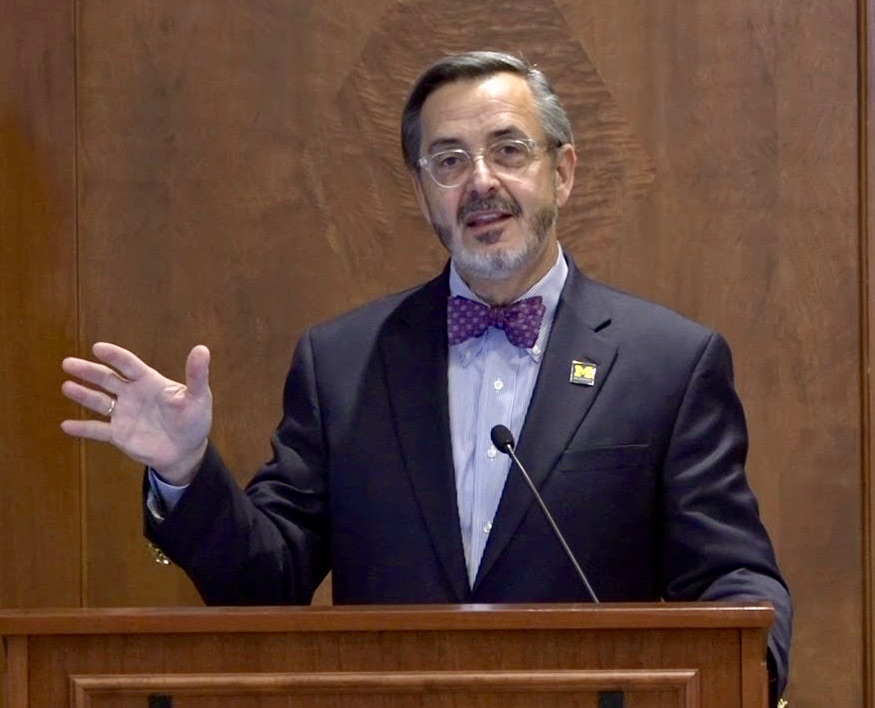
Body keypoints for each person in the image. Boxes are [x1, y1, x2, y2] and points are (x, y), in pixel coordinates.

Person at [61, 50, 792, 702]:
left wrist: (744, 674)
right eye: (448, 160)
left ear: (561, 172)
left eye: (508, 150)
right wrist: (187, 472)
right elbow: (268, 582)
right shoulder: (341, 363)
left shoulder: (668, 363)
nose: (480, 182)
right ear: (421, 191)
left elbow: (734, 581)